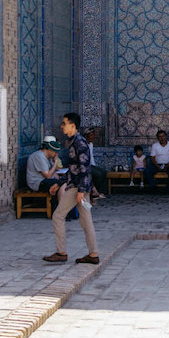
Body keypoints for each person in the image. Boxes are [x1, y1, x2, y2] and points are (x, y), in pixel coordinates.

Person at [43, 112, 100, 264]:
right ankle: (93, 254)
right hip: (80, 187)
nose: (62, 126)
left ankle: (61, 252)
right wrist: (59, 183)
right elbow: (73, 169)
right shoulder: (75, 142)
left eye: (64, 123)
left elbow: (84, 168)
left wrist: (81, 191)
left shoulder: (79, 143)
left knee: (58, 216)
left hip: (77, 188)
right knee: (86, 221)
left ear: (72, 125)